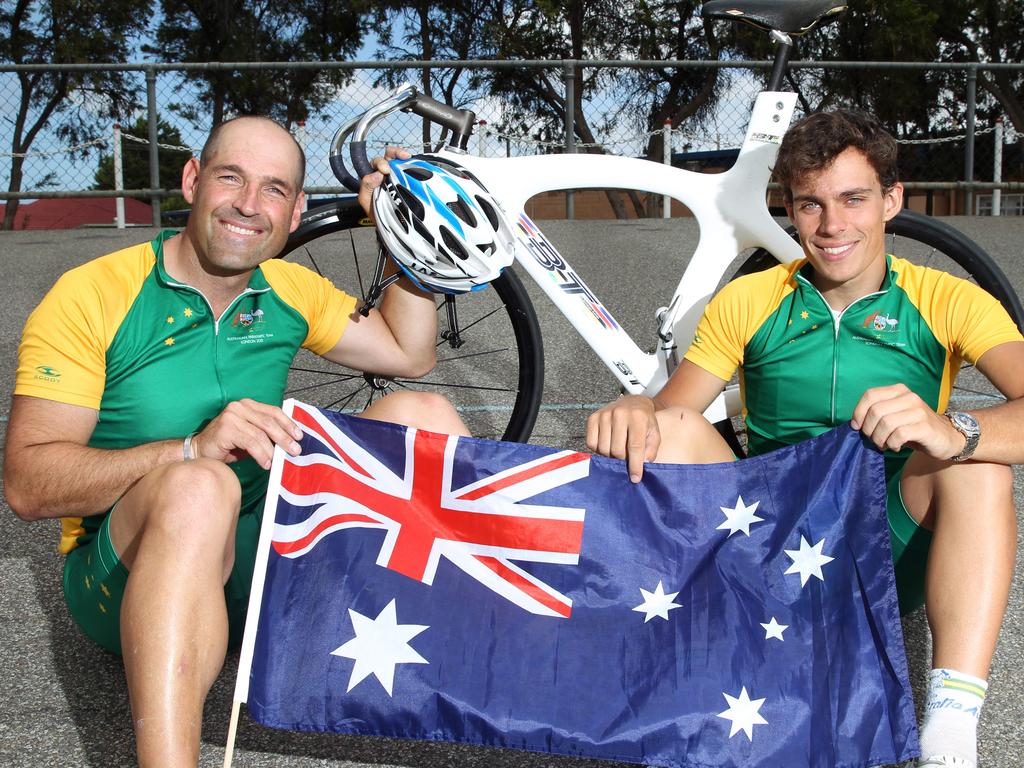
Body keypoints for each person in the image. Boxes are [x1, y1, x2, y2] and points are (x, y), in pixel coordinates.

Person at [2, 116, 467, 767]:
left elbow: (409, 354)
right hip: (130, 564)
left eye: (275, 189)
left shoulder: (286, 287)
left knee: (427, 417)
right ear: (193, 181)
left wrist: (399, 223)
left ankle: (469, 673)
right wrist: (189, 449)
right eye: (231, 178)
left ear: (296, 208)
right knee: (202, 485)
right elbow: (27, 484)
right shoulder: (92, 295)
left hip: (257, 547)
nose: (250, 205)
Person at [586, 109, 1023, 768]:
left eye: (854, 199)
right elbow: (673, 418)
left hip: (888, 547)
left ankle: (951, 729)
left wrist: (952, 426)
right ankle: (663, 650)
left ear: (892, 200)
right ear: (790, 210)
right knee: (666, 431)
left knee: (978, 463)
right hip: (768, 537)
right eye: (811, 205)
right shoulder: (749, 298)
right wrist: (636, 408)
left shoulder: (950, 299)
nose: (833, 225)